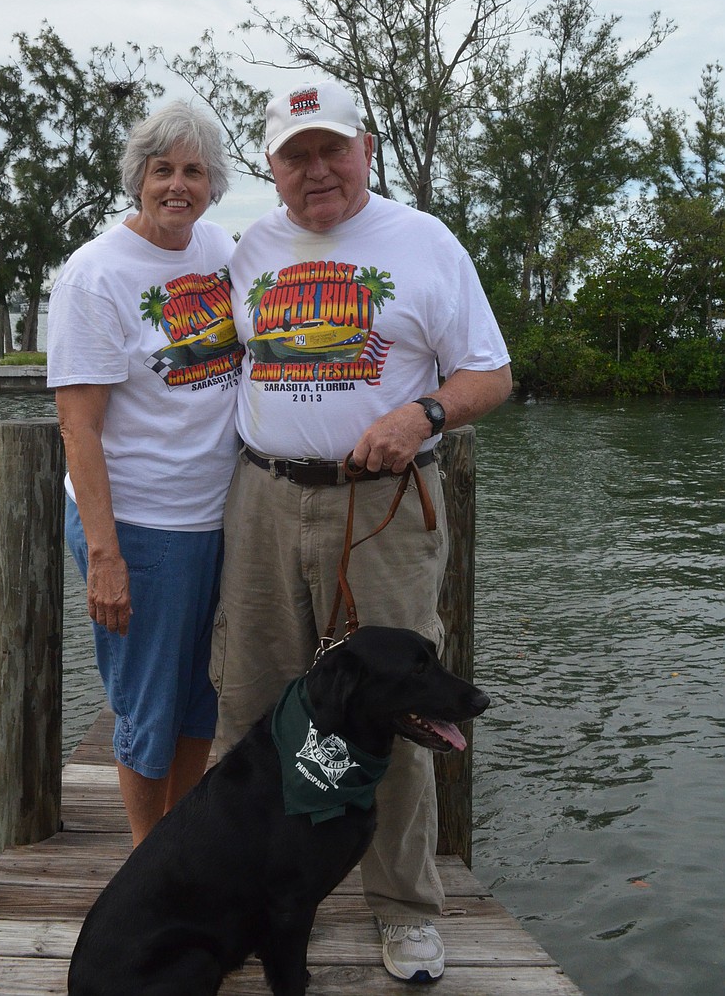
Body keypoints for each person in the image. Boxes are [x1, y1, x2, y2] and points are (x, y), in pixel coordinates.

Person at [211, 80, 512, 983]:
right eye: (294, 155)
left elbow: (489, 374)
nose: (316, 170)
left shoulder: (425, 241)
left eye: (330, 148)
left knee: (402, 711)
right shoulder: (247, 250)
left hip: (384, 507)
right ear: (270, 169)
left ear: (366, 147)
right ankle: (233, 901)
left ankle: (407, 907)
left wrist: (422, 414)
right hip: (263, 499)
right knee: (250, 708)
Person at [47, 101, 243, 846]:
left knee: (199, 698)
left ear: (213, 183)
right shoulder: (95, 275)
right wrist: (106, 556)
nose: (177, 185)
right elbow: (79, 426)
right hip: (136, 525)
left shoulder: (222, 251)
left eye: (193, 170)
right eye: (162, 169)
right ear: (138, 177)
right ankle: (146, 862)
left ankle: (180, 843)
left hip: (214, 518)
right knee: (146, 706)